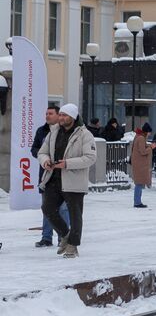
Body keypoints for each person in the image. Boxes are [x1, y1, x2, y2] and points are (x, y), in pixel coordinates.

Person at [38, 104, 98, 257]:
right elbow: (42, 152)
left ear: (73, 117)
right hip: (54, 179)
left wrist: (67, 163)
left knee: (75, 214)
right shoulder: (54, 132)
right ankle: (65, 235)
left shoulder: (85, 134)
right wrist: (45, 161)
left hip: (74, 180)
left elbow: (90, 158)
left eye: (65, 115)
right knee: (48, 208)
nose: (61, 118)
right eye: (61, 115)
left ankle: (73, 245)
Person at [32, 105, 69, 247]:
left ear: (59, 115)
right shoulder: (41, 131)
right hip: (46, 175)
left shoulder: (65, 131)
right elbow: (35, 149)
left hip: (62, 176)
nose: (47, 116)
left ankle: (63, 236)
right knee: (47, 207)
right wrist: (43, 158)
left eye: (51, 113)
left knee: (63, 208)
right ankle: (46, 237)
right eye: (46, 113)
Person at [128, 125, 152, 208]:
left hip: (138, 163)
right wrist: (151, 148)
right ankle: (137, 202)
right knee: (139, 183)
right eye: (149, 132)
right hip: (140, 164)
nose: (150, 134)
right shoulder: (141, 138)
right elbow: (143, 151)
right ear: (146, 131)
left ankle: (138, 201)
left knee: (139, 183)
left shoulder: (138, 137)